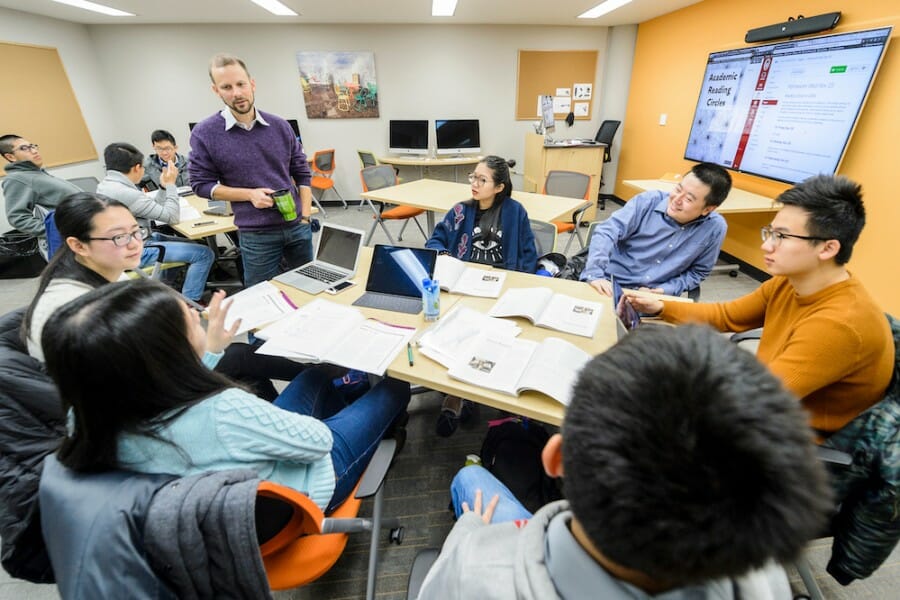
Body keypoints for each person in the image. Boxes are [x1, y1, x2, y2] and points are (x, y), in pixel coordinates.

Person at [418, 325, 833, 599]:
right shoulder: (767, 582)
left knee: (471, 478)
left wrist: (470, 529)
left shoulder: (474, 568)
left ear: (557, 457)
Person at [42, 278, 410, 514]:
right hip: (307, 492)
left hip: (237, 499)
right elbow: (318, 442)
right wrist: (295, 426)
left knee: (316, 377)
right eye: (189, 319)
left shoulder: (91, 415)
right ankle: (380, 430)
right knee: (394, 383)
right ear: (163, 353)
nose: (197, 312)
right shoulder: (222, 410)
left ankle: (356, 408)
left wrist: (212, 349)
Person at [627, 174, 894, 436]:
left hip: (793, 439)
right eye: (770, 232)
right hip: (764, 400)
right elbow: (727, 316)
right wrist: (661, 307)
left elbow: (752, 401)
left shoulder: (838, 324)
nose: (766, 245)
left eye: (782, 236)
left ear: (827, 249)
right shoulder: (790, 282)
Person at [21, 192, 305, 400]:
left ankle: (283, 406)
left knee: (240, 363)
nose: (134, 245)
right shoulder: (74, 308)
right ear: (78, 245)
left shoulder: (98, 273)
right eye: (119, 237)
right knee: (237, 357)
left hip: (138, 380)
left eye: (137, 232)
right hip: (129, 402)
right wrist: (208, 349)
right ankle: (330, 379)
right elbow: (143, 384)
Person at [425, 155, 538, 437]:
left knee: (490, 331)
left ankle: (467, 397)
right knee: (453, 330)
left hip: (501, 286)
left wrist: (518, 290)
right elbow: (435, 241)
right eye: (473, 177)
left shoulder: (515, 212)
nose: (474, 183)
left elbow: (527, 256)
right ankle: (456, 395)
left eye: (482, 179)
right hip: (463, 284)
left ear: (499, 186)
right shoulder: (460, 211)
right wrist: (447, 260)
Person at [189, 53, 314, 287]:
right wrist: (249, 194)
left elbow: (302, 172)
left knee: (309, 287)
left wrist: (305, 217)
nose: (236, 93)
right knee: (260, 296)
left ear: (252, 84)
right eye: (227, 87)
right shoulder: (205, 133)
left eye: (240, 84)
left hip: (297, 227)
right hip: (256, 234)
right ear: (216, 90)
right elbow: (200, 184)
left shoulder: (279, 126)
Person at [581, 162, 732, 297]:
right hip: (610, 284)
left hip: (654, 297)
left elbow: (698, 272)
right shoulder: (648, 202)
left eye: (688, 199)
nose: (676, 199)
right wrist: (595, 274)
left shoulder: (715, 228)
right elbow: (607, 232)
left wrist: (665, 290)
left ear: (708, 209)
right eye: (678, 189)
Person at [97, 142, 214, 302]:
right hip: (138, 249)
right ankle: (190, 304)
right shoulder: (127, 193)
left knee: (195, 242)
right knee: (204, 254)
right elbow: (172, 217)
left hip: (130, 243)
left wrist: (163, 187)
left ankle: (168, 292)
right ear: (137, 168)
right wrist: (171, 185)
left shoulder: (107, 185)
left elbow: (153, 208)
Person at [0, 134, 82, 253]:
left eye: (32, 146)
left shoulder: (35, 173)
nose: (33, 151)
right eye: (24, 148)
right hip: (71, 238)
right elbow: (17, 218)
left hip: (82, 230)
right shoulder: (17, 179)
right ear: (10, 157)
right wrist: (54, 231)